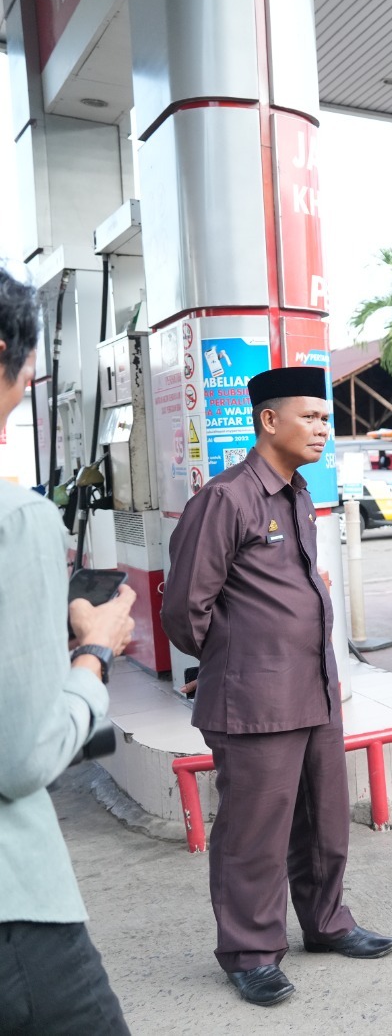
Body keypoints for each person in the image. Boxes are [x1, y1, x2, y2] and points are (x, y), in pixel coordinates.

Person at [162, 366, 392, 1007]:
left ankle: (326, 923)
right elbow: (184, 608)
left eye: (325, 419)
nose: (323, 429)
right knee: (254, 834)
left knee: (324, 821)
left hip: (313, 688)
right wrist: (236, 662)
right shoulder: (226, 498)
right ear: (269, 421)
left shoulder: (295, 493)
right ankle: (250, 952)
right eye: (311, 418)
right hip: (255, 698)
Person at [0, 268, 135, 1033]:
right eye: (27, 372)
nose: (27, 388)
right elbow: (22, 758)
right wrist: (94, 654)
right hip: (17, 919)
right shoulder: (17, 521)